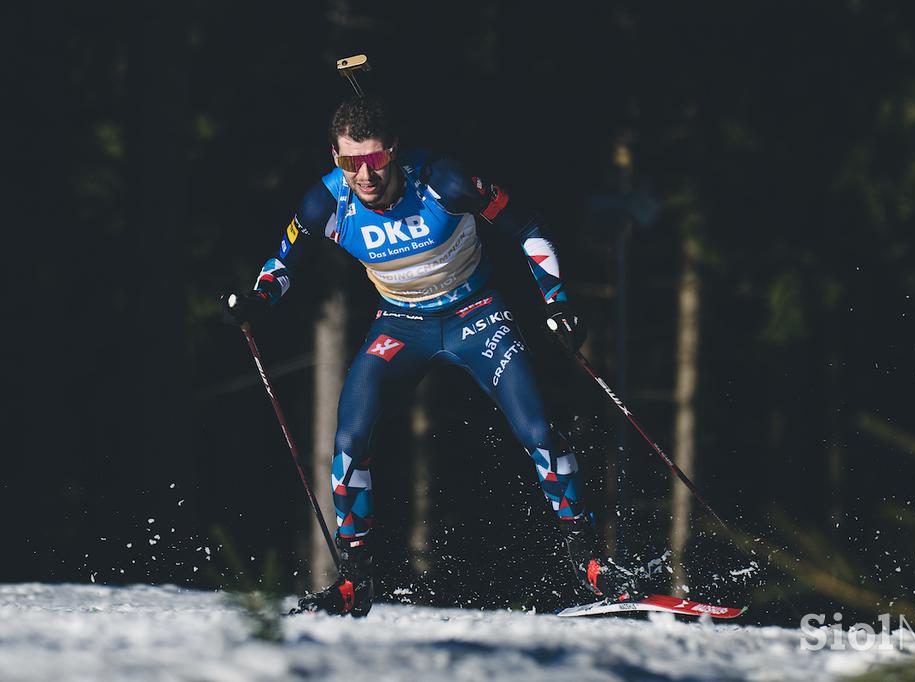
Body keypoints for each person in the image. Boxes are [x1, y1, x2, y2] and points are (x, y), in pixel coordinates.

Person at [222, 96, 637, 616]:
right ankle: (355, 581)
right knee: (349, 439)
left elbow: (528, 227)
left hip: (477, 315)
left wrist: (559, 303)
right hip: (402, 326)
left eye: (374, 160)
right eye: (351, 163)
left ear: (393, 150)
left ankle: (592, 566)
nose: (364, 175)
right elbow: (283, 262)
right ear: (334, 156)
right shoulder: (326, 205)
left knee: (537, 429)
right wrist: (255, 300)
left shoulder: (446, 182)